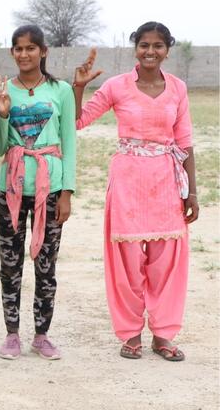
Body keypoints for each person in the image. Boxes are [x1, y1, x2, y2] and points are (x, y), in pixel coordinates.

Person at [72, 22, 198, 361]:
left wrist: (192, 193)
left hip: (166, 182)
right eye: (144, 45)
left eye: (158, 46)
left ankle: (163, 335)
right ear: (135, 48)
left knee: (166, 262)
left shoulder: (178, 89)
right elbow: (77, 121)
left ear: (167, 50)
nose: (150, 52)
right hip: (128, 180)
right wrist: (78, 88)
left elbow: (184, 141)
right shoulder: (116, 87)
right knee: (127, 262)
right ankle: (130, 334)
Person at [0, 25, 77, 361]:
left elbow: (68, 140)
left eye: (30, 48)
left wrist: (67, 190)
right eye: (18, 48)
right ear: (12, 52)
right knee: (9, 264)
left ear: (43, 51)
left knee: (46, 264)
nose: (24, 54)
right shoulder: (2, 90)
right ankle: (11, 333)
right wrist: (1, 114)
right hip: (10, 188)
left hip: (51, 189)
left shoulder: (61, 91)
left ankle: (42, 335)